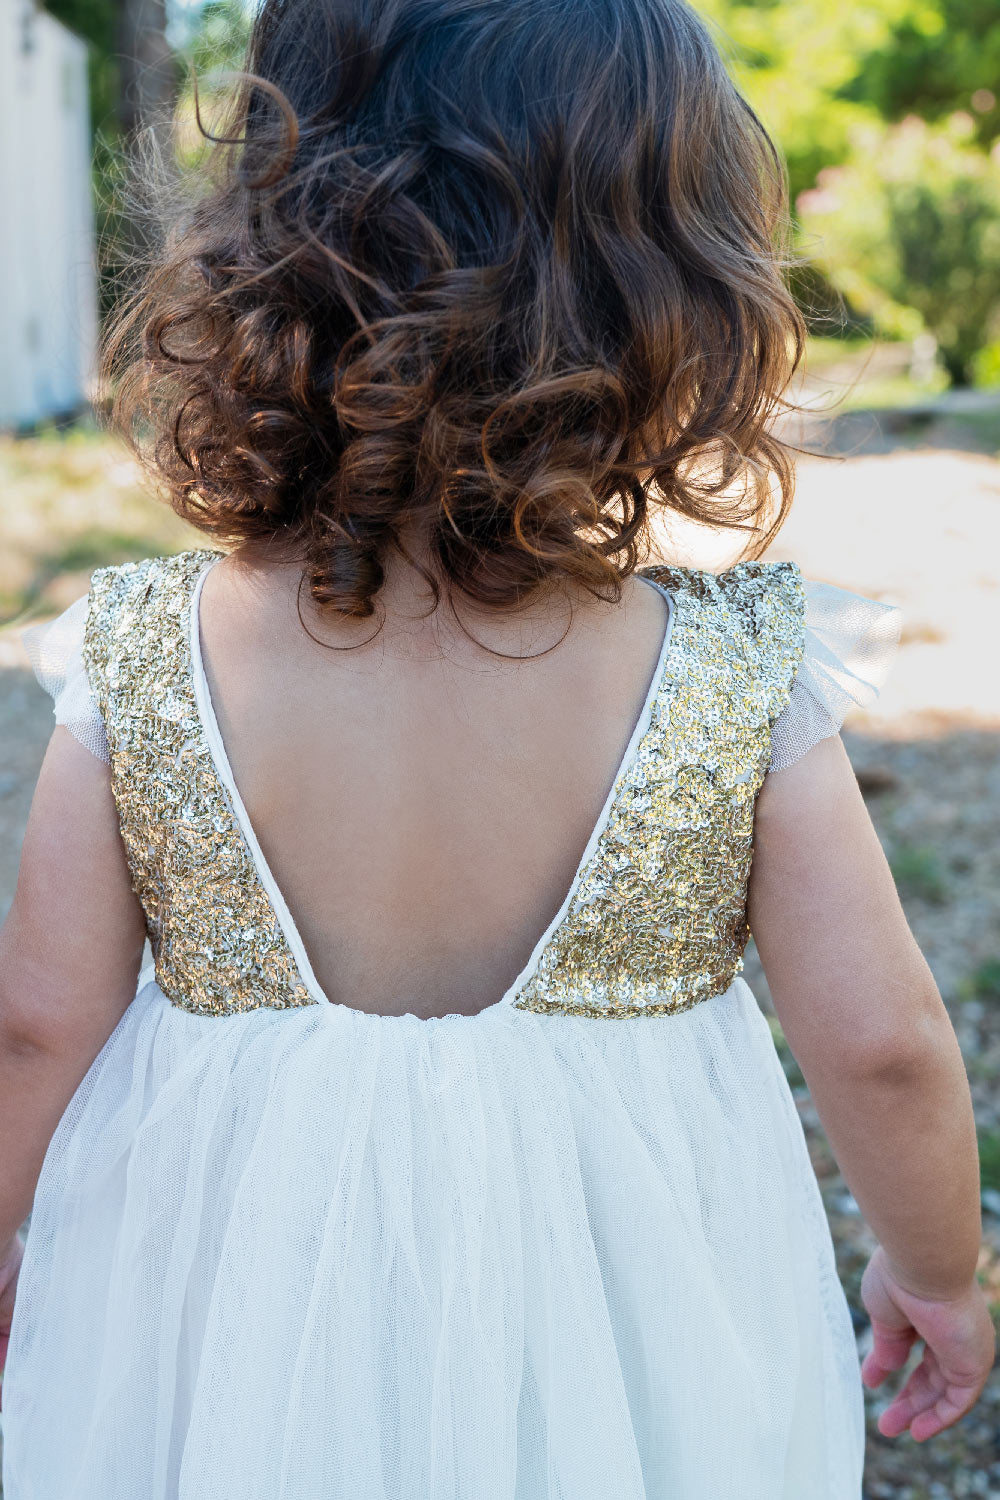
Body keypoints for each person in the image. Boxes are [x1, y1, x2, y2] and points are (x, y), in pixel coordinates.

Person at [0, 0, 994, 1495]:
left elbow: (35, 1022)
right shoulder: (730, 672)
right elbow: (883, 1045)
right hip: (625, 1317)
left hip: (233, 1311)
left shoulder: (144, 651)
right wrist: (937, 1271)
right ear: (677, 296)